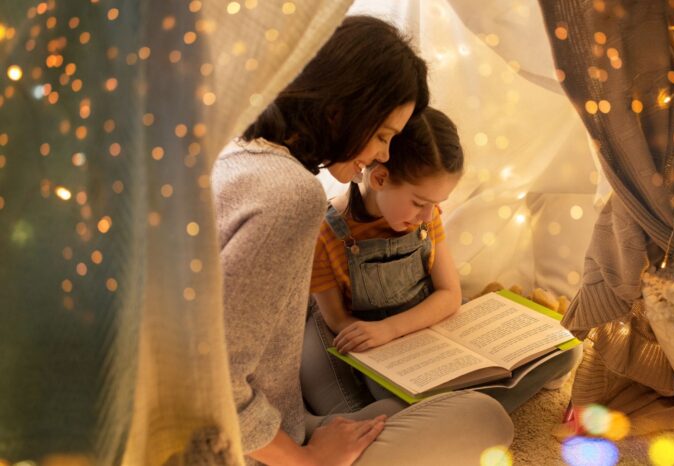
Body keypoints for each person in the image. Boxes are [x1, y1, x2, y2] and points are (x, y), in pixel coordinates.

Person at [212, 15, 513, 466]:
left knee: (391, 411)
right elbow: (213, 387)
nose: (383, 155)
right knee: (488, 420)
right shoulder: (290, 195)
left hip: (269, 427)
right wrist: (309, 461)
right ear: (339, 110)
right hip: (238, 450)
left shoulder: (236, 151)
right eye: (382, 136)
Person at [302, 106, 582, 417]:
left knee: (567, 351)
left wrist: (396, 328)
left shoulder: (426, 216)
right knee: (388, 401)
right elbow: (337, 321)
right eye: (419, 202)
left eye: (436, 204)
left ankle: (459, 413)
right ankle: (466, 413)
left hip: (427, 328)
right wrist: (384, 334)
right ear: (380, 178)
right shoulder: (326, 233)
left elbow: (450, 295)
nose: (428, 215)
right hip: (379, 345)